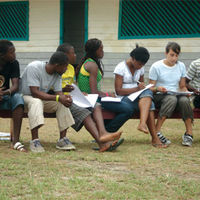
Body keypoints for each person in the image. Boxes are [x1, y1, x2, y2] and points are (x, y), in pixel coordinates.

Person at [55, 43, 123, 152]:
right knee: (84, 113)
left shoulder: (71, 68)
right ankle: (102, 143)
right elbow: (55, 88)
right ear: (65, 55)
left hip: (73, 98)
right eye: (73, 53)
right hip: (61, 99)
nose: (75, 55)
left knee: (96, 105)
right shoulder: (58, 68)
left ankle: (103, 133)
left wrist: (80, 93)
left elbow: (71, 85)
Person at [76, 38, 133, 133]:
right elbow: (94, 93)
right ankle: (107, 133)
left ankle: (104, 133)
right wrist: (107, 95)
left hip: (93, 97)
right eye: (100, 49)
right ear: (94, 51)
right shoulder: (92, 65)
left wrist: (107, 94)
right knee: (128, 109)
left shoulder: (89, 62)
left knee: (122, 106)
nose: (103, 51)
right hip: (91, 99)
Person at [114, 45, 166, 147]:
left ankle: (143, 125)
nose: (140, 66)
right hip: (123, 99)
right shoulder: (121, 68)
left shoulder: (140, 69)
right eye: (139, 64)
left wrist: (155, 89)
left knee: (148, 95)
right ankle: (154, 138)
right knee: (148, 101)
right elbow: (118, 91)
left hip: (139, 98)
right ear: (132, 58)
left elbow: (142, 86)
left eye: (143, 65)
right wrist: (137, 89)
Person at [149, 42, 193, 146]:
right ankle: (157, 132)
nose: (174, 58)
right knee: (171, 99)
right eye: (172, 55)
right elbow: (150, 88)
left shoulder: (181, 66)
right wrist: (158, 88)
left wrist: (186, 92)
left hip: (176, 95)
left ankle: (189, 133)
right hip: (160, 96)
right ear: (166, 53)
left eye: (176, 55)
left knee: (184, 100)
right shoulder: (156, 66)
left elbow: (182, 86)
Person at [0, 40, 26, 152]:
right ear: (2, 55)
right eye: (11, 52)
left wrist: (4, 93)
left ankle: (15, 140)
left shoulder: (14, 63)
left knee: (18, 98)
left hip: (4, 96)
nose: (14, 55)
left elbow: (15, 86)